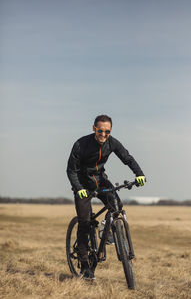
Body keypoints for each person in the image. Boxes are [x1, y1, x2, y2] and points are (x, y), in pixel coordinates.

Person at [67, 114, 146, 280]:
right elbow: (71, 170)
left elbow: (127, 158)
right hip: (82, 184)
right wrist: (78, 188)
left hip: (100, 180)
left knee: (116, 205)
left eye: (107, 131)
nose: (103, 134)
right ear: (94, 128)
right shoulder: (81, 144)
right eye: (100, 130)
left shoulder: (112, 143)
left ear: (110, 131)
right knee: (85, 222)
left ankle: (108, 229)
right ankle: (85, 266)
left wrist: (139, 174)